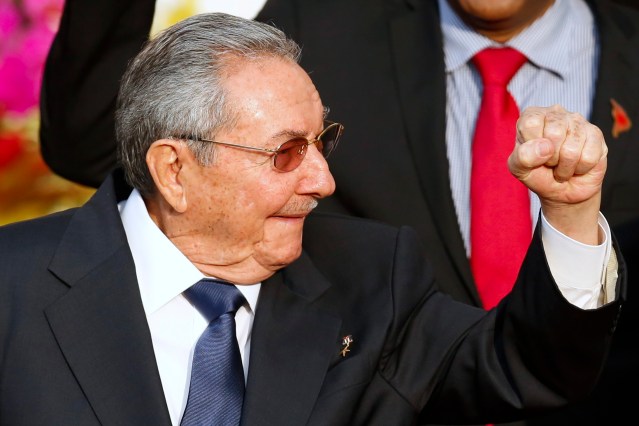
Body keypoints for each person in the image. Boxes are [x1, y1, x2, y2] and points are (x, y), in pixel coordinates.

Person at [2, 12, 626, 426]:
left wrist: (570, 213)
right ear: (174, 170)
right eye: (285, 153)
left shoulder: (372, 278)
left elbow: (528, 372)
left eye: (322, 141)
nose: (324, 181)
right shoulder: (13, 289)